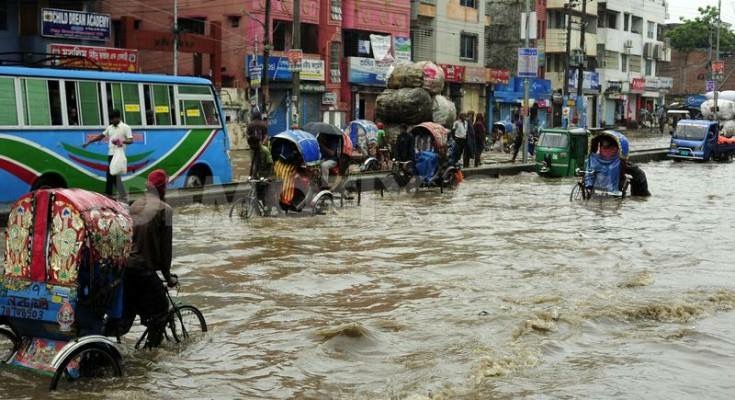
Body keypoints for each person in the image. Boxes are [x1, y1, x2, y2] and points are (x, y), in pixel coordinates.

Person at [111, 169, 177, 348]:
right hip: (143, 269)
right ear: (162, 189)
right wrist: (168, 277)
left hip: (126, 267)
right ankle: (150, 354)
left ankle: (98, 339)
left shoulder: (134, 205)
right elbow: (166, 252)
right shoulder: (166, 210)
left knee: (125, 320)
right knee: (161, 310)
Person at [83, 109, 132, 202]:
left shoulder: (126, 127)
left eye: (113, 119)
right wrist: (89, 142)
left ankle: (108, 195)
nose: (112, 121)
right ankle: (122, 195)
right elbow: (101, 136)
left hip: (119, 154)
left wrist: (122, 141)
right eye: (111, 119)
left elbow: (131, 140)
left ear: (118, 118)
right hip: (110, 154)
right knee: (114, 175)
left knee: (110, 174)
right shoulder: (110, 128)